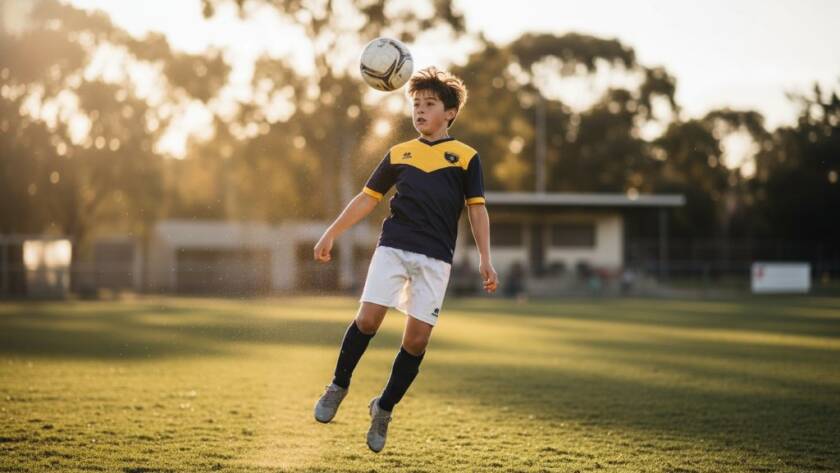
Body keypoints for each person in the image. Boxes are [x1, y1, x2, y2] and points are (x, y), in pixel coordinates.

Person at [312, 66, 498, 453]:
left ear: (450, 113)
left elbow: (477, 209)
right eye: (415, 104)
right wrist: (331, 232)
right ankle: (338, 386)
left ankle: (383, 408)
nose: (420, 110)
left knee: (416, 341)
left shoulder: (466, 158)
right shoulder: (399, 153)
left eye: (429, 104)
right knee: (368, 319)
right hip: (393, 247)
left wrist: (485, 257)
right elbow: (366, 199)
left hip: (436, 259)